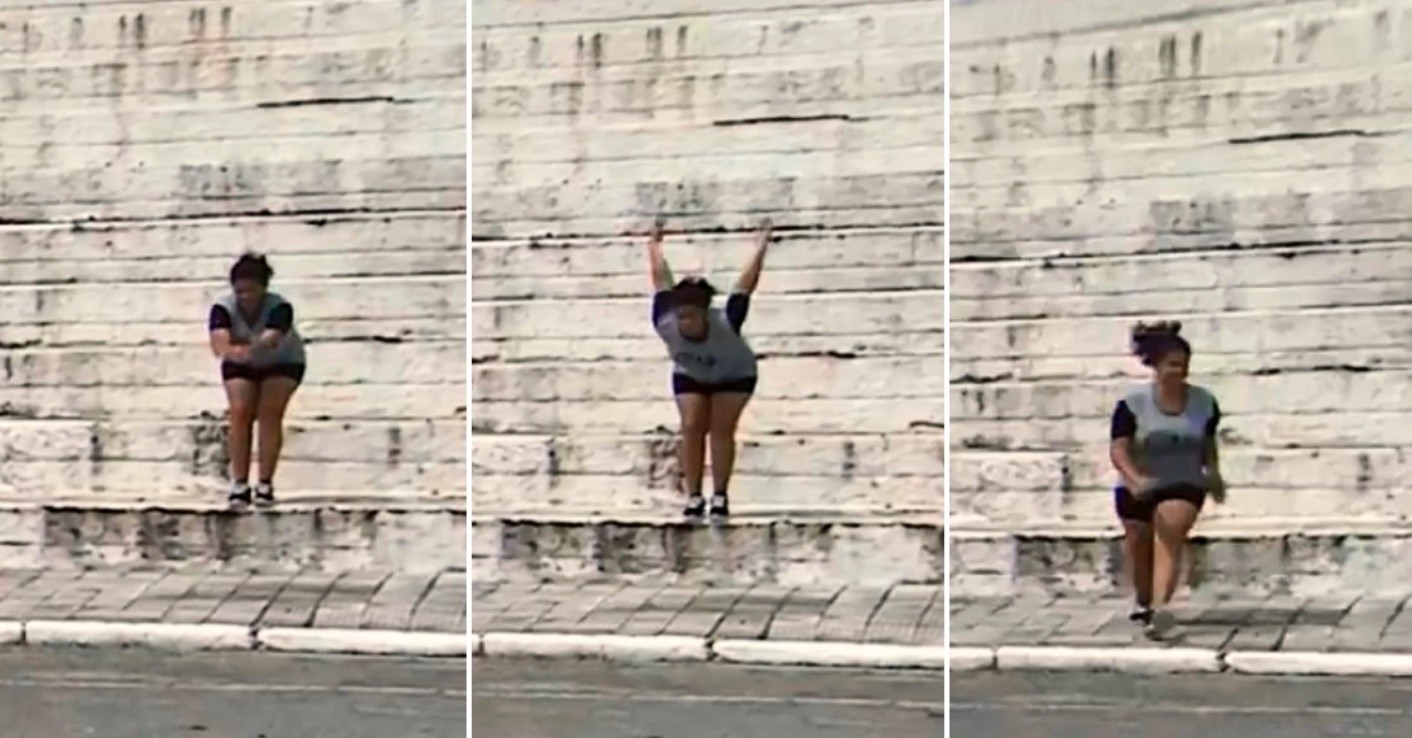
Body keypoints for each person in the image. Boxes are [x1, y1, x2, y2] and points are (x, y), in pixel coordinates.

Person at [645, 219, 771, 518]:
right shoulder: (664, 319)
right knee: (691, 427)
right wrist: (654, 245)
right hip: (690, 372)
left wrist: (761, 247)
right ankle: (693, 496)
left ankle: (720, 495)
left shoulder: (726, 320)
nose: (685, 324)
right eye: (682, 318)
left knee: (720, 429)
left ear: (704, 314)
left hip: (735, 373)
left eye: (691, 318)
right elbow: (660, 279)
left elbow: (745, 284)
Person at [1109, 321, 1225, 640]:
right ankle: (1144, 601)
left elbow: (1206, 442)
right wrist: (1134, 479)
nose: (1179, 372)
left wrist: (1213, 473)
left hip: (1183, 480)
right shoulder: (1132, 405)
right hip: (1139, 483)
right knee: (1140, 546)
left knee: (1170, 534)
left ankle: (1161, 608)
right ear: (1156, 366)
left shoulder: (1204, 403)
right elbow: (1119, 448)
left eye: (1184, 366)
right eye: (1172, 365)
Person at [206, 253, 307, 507]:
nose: (245, 298)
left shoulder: (279, 307)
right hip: (241, 361)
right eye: (239, 291)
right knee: (240, 412)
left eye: (251, 291)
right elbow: (219, 342)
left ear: (263, 288)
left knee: (269, 412)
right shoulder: (223, 308)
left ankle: (265, 482)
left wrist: (246, 347)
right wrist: (233, 351)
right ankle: (239, 483)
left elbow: (271, 338)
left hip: (282, 360)